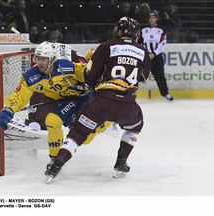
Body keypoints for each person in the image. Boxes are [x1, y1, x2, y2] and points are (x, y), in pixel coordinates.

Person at [45, 17, 151, 180]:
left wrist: (96, 75)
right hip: (128, 106)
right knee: (135, 127)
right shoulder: (143, 51)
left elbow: (90, 77)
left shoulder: (107, 46)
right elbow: (143, 76)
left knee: (78, 133)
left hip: (102, 104)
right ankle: (121, 162)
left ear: (120, 32)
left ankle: (56, 165)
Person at [0, 41, 111, 174]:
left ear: (53, 59)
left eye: (44, 59)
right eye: (38, 58)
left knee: (86, 139)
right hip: (67, 101)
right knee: (51, 121)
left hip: (83, 98)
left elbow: (87, 73)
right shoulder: (32, 76)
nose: (40, 62)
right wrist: (8, 110)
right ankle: (54, 159)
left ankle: (109, 120)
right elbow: (20, 95)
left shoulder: (66, 68)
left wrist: (98, 84)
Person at [137, 10, 174, 101]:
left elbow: (162, 43)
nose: (152, 19)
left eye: (154, 18)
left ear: (157, 19)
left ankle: (165, 93)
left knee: (160, 76)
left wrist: (154, 53)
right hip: (145, 57)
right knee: (137, 75)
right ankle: (131, 93)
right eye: (150, 18)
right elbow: (138, 42)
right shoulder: (143, 30)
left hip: (156, 57)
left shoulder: (161, 30)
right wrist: (145, 53)